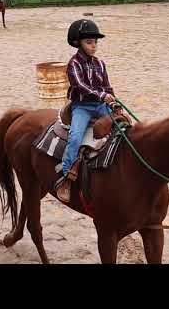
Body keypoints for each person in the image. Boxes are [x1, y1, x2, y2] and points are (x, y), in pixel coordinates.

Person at [54, 19, 116, 202]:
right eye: (89, 42)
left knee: (122, 128)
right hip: (82, 106)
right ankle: (66, 176)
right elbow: (80, 86)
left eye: (95, 42)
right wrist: (102, 96)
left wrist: (114, 102)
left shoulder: (100, 64)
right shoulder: (73, 64)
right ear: (78, 43)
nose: (94, 46)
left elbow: (107, 86)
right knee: (75, 137)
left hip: (100, 105)